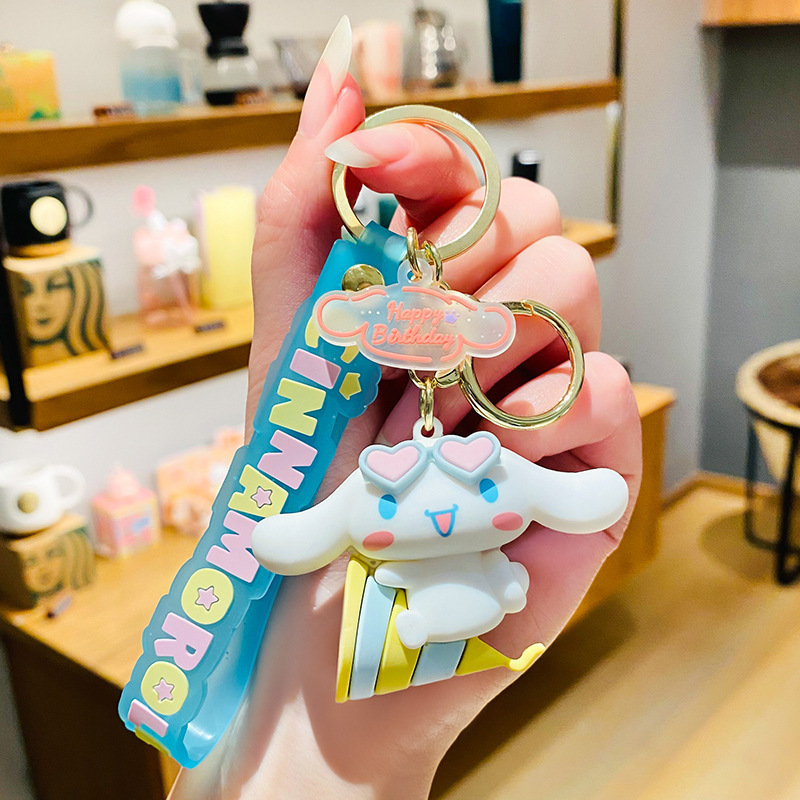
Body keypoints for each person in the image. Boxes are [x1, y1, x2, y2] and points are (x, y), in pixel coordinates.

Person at [170, 16, 642, 800]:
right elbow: (307, 532)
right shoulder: (376, 487)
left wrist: (328, 755)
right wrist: (313, 743)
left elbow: (554, 495)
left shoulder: (405, 486)